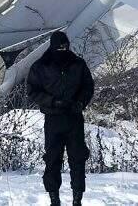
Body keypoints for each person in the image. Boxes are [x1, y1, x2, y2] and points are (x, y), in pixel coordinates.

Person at [27, 31, 94, 206]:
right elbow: (33, 90)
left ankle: (77, 198)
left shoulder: (78, 64)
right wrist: (52, 102)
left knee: (78, 159)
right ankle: (54, 198)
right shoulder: (41, 65)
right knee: (52, 160)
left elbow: (88, 86)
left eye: (65, 46)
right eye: (59, 47)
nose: (62, 49)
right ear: (52, 46)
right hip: (53, 119)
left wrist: (80, 103)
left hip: (74, 118)